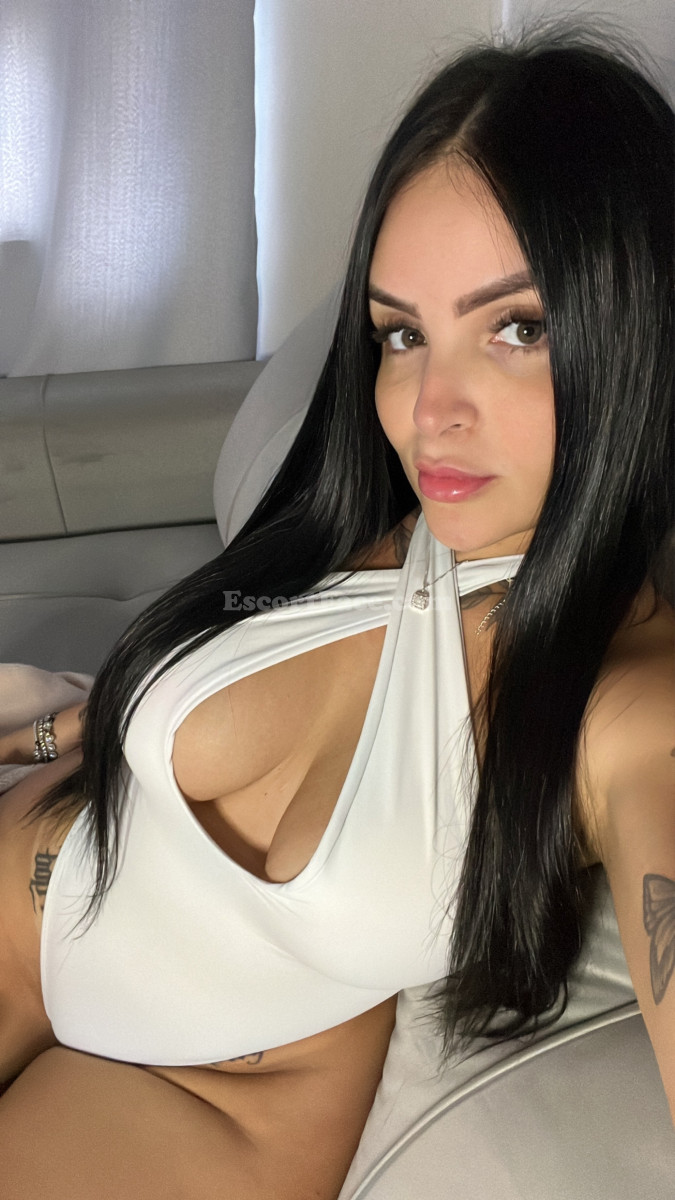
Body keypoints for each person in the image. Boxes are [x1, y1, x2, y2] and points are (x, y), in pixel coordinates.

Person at [0, 22, 673, 1200]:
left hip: (190, 1101)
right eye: (403, 334)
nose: (429, 408)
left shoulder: (634, 709)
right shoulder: (366, 516)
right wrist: (55, 728)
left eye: (517, 327)